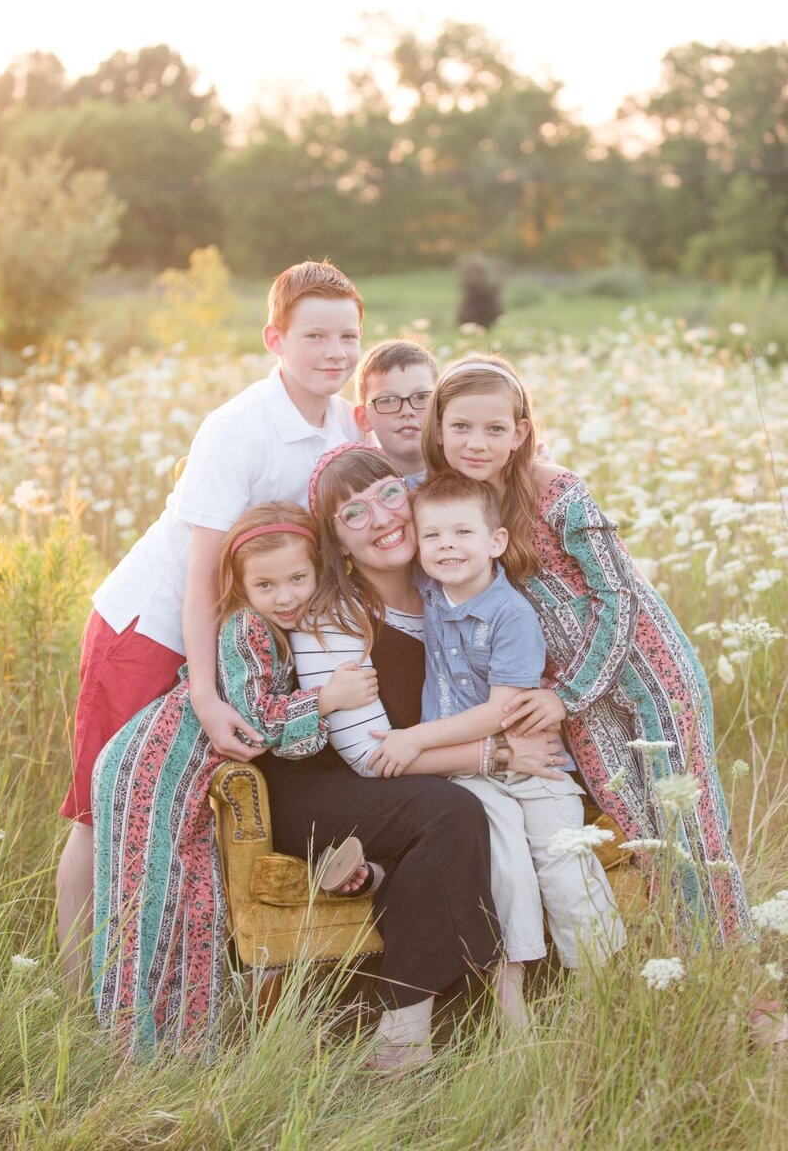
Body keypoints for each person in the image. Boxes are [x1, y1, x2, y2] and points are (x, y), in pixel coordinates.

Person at [57, 259, 365, 988]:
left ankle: (174, 977)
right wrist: (203, 692)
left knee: (193, 812)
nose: (335, 353)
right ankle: (73, 986)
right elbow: (200, 579)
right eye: (315, 336)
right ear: (275, 339)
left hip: (234, 640)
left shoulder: (345, 424)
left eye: (348, 336)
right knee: (104, 808)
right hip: (155, 629)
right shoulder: (237, 429)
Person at [420, 354, 752, 944]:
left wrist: (567, 695)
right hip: (574, 702)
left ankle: (743, 985)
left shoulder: (556, 489)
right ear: (438, 428)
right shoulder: (456, 508)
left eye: (496, 428)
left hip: (647, 677)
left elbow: (617, 594)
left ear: (521, 431)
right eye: (461, 426)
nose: (477, 442)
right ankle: (686, 960)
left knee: (690, 827)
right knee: (638, 829)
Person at [288, 443, 568, 1049]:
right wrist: (496, 755)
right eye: (353, 514)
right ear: (335, 542)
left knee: (459, 813)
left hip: (411, 773)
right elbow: (369, 756)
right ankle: (403, 1034)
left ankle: (381, 889)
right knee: (450, 811)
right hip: (325, 785)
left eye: (389, 495)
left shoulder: (448, 580)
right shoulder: (333, 617)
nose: (383, 518)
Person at [91, 504, 378, 1059]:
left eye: (297, 578)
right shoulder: (246, 626)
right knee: (148, 905)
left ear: (318, 570)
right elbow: (256, 722)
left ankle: (186, 1046)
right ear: (243, 588)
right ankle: (132, 1049)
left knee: (199, 902)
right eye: (266, 585)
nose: (286, 596)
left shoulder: (282, 630)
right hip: (153, 769)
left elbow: (283, 737)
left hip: (189, 779)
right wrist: (328, 699)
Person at [366, 470, 625, 1009]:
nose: (447, 546)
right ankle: (512, 1005)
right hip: (471, 773)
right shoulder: (430, 590)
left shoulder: (512, 614)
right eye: (432, 536)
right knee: (504, 867)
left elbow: (501, 711)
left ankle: (601, 994)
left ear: (496, 542)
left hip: (534, 761)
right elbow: (394, 513)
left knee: (563, 861)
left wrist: (414, 737)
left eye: (463, 533)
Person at [353, 339, 437, 488]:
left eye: (421, 397)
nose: (407, 412)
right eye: (388, 400)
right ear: (364, 418)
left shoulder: (469, 472)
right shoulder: (360, 489)